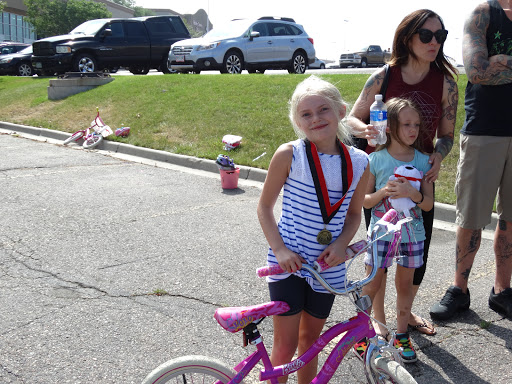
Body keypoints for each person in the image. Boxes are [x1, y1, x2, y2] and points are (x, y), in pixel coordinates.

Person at [347, 9, 459, 337]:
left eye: (441, 36)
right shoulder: (384, 75)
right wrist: (366, 130)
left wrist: (438, 155)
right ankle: (378, 319)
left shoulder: (447, 83)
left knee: (415, 257)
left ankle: (405, 316)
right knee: (380, 257)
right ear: (408, 38)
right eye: (426, 35)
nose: (434, 42)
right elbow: (351, 119)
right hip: (383, 177)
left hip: (420, 178)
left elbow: (447, 135)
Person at [257, 76, 369, 383]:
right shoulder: (289, 154)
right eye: (306, 114)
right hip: (288, 265)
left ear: (341, 111)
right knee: (286, 344)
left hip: (328, 268)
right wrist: (279, 249)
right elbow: (264, 208)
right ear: (297, 120)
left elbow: (355, 214)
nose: (316, 118)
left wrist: (342, 243)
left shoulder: (360, 162)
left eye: (324, 110)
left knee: (310, 344)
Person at [430, 0, 512, 320]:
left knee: (511, 217)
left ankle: (502, 290)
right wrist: (495, 63)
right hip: (484, 131)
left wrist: (501, 61)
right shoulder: (483, 14)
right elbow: (476, 71)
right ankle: (459, 290)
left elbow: (488, 67)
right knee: (471, 216)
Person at [356, 97, 434, 363]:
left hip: (413, 235)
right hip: (381, 233)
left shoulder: (424, 162)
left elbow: (428, 204)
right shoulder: (375, 160)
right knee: (372, 284)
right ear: (389, 127)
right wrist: (383, 192)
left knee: (404, 285)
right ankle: (364, 333)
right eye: (406, 124)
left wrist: (414, 193)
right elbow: (364, 200)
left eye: (416, 124)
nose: (413, 130)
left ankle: (401, 335)